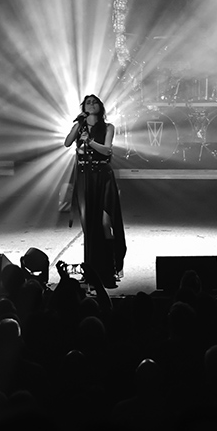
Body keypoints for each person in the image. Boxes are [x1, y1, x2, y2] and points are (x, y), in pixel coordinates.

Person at [63, 94, 127, 303]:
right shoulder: (80, 126)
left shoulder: (108, 127)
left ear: (100, 107)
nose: (91, 105)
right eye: (88, 102)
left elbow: (107, 149)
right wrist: (78, 125)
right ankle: (91, 271)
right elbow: (67, 143)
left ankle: (109, 271)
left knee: (105, 222)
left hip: (102, 176)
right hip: (85, 177)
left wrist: (89, 141)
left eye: (95, 102)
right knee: (89, 226)